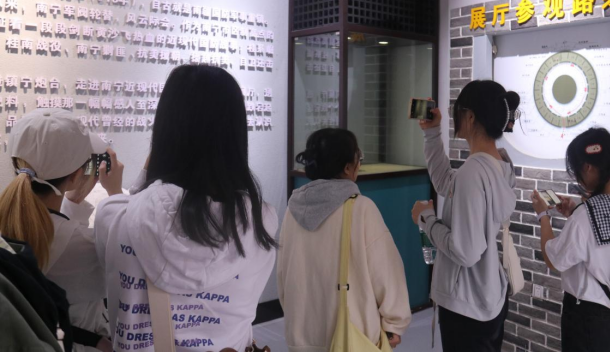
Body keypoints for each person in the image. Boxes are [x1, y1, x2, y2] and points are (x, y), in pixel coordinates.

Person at [95, 65, 279, 352]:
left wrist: (132, 184)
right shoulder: (261, 221)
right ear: (236, 134)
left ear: (164, 131)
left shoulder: (114, 215)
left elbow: (140, 224)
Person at [277, 128, 411, 351]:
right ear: (348, 167)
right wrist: (394, 324)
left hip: (301, 334)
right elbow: (387, 273)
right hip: (350, 336)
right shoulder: (361, 208)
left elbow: (283, 274)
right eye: (359, 157)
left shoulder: (293, 210)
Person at [411, 80, 520, 352]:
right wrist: (432, 133)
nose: (453, 117)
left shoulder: (473, 172)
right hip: (490, 296)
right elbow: (447, 182)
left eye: (455, 111)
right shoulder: (500, 165)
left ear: (470, 117)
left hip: (465, 306)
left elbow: (465, 252)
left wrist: (427, 220)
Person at [0, 108, 118, 351]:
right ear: (75, 176)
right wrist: (116, 194)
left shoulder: (9, 216)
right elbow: (128, 267)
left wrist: (73, 202)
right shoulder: (83, 245)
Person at [532, 128, 610, 352]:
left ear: (588, 167)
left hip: (590, 322)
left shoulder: (586, 216)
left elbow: (554, 260)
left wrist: (543, 216)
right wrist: (575, 210)